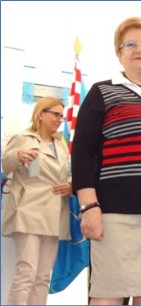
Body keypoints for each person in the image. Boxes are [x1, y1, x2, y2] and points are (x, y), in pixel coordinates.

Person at [71, 17, 141, 305]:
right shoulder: (102, 91)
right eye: (130, 44)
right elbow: (82, 151)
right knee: (108, 295)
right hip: (115, 214)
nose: (139, 49)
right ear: (119, 53)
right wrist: (89, 206)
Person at [1, 96, 72, 305]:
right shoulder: (23, 137)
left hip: (54, 214)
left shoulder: (61, 146)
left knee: (42, 277)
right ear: (41, 113)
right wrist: (17, 156)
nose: (60, 119)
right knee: (27, 273)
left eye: (62, 116)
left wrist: (71, 184)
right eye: (56, 114)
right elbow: (5, 165)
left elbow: (68, 173)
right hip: (29, 211)